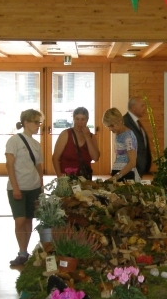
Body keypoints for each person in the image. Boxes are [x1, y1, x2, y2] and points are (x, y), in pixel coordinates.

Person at [5, 109, 44, 267]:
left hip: (33, 186)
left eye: (39, 123)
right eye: (35, 122)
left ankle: (24, 251)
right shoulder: (14, 141)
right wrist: (15, 188)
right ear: (26, 123)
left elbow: (39, 166)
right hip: (18, 186)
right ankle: (21, 251)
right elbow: (9, 164)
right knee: (20, 220)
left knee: (29, 219)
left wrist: (41, 187)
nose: (38, 126)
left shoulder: (36, 144)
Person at [52, 106, 100, 180]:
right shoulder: (65, 134)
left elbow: (95, 157)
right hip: (66, 178)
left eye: (83, 119)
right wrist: (59, 177)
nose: (79, 123)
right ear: (73, 119)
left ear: (87, 120)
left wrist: (87, 137)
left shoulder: (91, 136)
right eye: (77, 119)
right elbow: (55, 157)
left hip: (85, 178)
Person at [103, 107, 139, 182]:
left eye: (112, 126)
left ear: (119, 121)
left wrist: (116, 177)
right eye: (108, 126)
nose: (110, 129)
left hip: (126, 174)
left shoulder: (128, 136)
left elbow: (132, 162)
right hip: (118, 173)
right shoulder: (118, 134)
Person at [123, 97, 152, 177]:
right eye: (142, 106)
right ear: (133, 107)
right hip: (131, 167)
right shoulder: (125, 121)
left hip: (139, 166)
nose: (145, 108)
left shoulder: (136, 122)